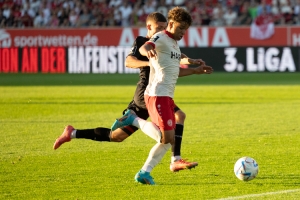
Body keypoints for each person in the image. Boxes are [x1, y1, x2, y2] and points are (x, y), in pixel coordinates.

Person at [53, 12, 207, 172]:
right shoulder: (144, 41)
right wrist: (150, 63)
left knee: (117, 136)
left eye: (163, 27)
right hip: (146, 94)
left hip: (159, 92)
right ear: (149, 27)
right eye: (159, 27)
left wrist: (191, 63)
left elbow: (176, 59)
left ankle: (72, 133)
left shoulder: (167, 41)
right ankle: (170, 161)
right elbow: (129, 61)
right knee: (168, 131)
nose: (162, 30)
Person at [111, 7, 213, 185]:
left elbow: (174, 72)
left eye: (185, 30)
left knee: (167, 140)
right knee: (166, 138)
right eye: (180, 28)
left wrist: (196, 69)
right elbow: (146, 46)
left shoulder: (173, 43)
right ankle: (132, 119)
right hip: (157, 95)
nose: (182, 33)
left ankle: (144, 173)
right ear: (171, 24)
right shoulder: (162, 37)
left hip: (167, 96)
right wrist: (147, 51)